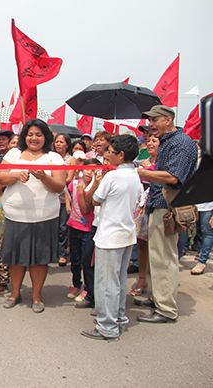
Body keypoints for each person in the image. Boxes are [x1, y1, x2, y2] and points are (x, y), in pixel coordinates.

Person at [0, 119, 66, 313]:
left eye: (38, 134)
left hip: (44, 216)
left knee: (39, 259)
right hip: (16, 215)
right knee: (16, 258)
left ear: (46, 137)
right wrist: (16, 175)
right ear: (24, 136)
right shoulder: (14, 154)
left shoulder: (54, 158)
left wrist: (43, 177)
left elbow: (59, 187)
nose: (34, 138)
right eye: (30, 134)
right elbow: (0, 178)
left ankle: (36, 296)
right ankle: (15, 293)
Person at [136, 105, 198, 323]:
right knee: (157, 258)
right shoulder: (167, 142)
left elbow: (173, 177)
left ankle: (166, 309)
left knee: (164, 259)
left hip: (167, 208)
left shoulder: (181, 143)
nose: (151, 125)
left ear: (169, 119)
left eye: (155, 120)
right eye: (149, 120)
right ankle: (158, 299)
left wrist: (144, 173)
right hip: (158, 204)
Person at [81, 135, 143, 341]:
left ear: (121, 155)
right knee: (119, 281)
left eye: (110, 151)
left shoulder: (112, 176)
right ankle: (118, 317)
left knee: (107, 282)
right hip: (126, 234)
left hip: (110, 235)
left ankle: (107, 326)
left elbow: (96, 200)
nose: (107, 155)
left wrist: (96, 183)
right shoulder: (135, 175)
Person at [66, 158, 101, 309]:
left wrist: (82, 193)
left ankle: (88, 289)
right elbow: (67, 195)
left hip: (88, 230)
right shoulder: (74, 184)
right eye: (87, 169)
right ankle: (76, 283)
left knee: (87, 262)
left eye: (94, 170)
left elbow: (86, 209)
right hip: (73, 226)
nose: (90, 172)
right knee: (74, 259)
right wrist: (68, 207)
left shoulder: (97, 188)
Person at [130, 133, 159, 295]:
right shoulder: (140, 163)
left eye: (154, 141)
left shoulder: (166, 164)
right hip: (142, 208)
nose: (150, 143)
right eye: (148, 140)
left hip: (159, 207)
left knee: (157, 247)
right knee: (141, 244)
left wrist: (148, 172)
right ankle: (142, 278)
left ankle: (157, 284)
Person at [53, 133, 77, 267]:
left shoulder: (71, 159)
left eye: (61, 142)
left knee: (63, 227)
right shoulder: (50, 158)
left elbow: (69, 178)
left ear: (67, 144)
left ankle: (62, 254)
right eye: (57, 142)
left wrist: (57, 181)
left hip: (64, 197)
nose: (58, 144)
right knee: (52, 227)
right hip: (51, 196)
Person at [191, 201, 213, 275]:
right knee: (198, 231)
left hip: (209, 207)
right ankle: (199, 253)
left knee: (207, 233)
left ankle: (202, 261)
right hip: (194, 205)